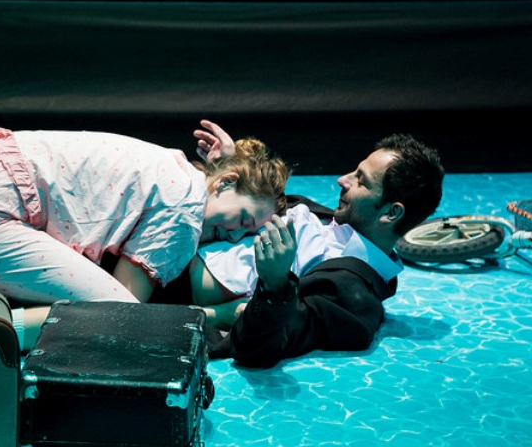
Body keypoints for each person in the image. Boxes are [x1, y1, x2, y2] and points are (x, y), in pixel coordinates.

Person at [0, 126, 289, 307]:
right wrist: (217, 316)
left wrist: (227, 165)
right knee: (121, 315)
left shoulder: (173, 166)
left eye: (245, 233)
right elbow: (126, 302)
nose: (235, 236)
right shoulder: (186, 209)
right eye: (243, 221)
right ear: (225, 183)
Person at [187, 121, 444, 368]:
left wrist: (274, 284)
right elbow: (257, 201)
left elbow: (257, 348)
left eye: (361, 180)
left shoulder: (353, 302)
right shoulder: (332, 219)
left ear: (391, 213)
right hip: (185, 234)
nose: (342, 180)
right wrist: (230, 164)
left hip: (173, 287)